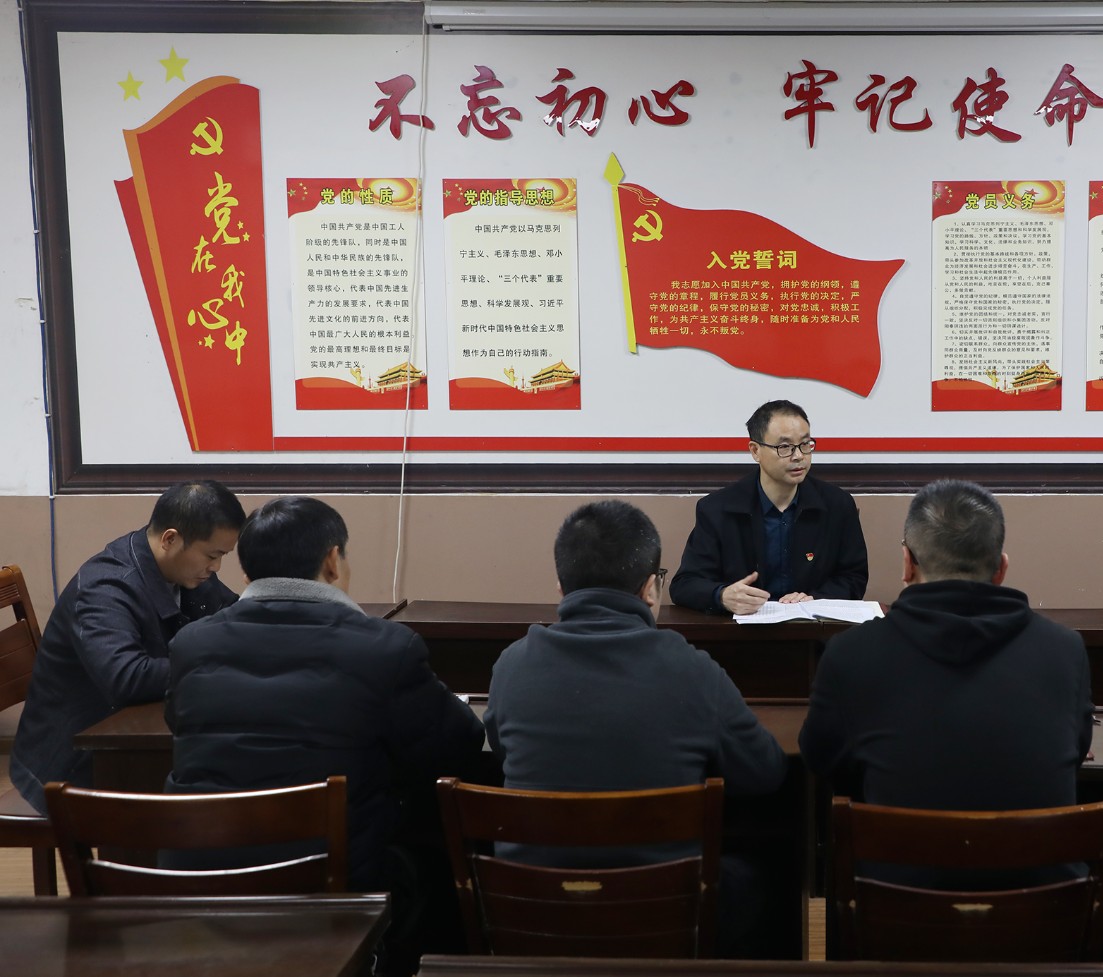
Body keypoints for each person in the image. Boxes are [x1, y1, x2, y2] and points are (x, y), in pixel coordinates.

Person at [164, 496, 484, 974]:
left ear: (247, 572)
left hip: (204, 881)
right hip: (333, 889)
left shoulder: (190, 643)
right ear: (333, 561)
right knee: (440, 848)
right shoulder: (386, 648)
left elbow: (178, 722)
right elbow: (456, 745)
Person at [485, 500, 788, 952]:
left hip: (534, 911)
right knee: (765, 869)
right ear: (650, 588)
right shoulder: (692, 670)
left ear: (561, 587)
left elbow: (501, 752)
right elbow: (765, 773)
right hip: (664, 914)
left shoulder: (512, 666)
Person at [799, 480, 1094, 871]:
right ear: (1001, 568)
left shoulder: (850, 654)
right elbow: (1075, 752)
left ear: (907, 563)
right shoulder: (1064, 650)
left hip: (895, 900)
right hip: (1040, 902)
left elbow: (822, 760)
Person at [9, 479, 245, 812]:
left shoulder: (185, 570)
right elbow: (127, 678)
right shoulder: (105, 588)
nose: (216, 567)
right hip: (74, 767)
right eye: (212, 555)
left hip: (134, 741)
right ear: (170, 539)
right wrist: (216, 664)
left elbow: (233, 617)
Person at [670, 399, 868, 614]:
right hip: (741, 630)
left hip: (811, 629)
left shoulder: (837, 505)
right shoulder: (717, 509)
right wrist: (722, 595)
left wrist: (816, 599)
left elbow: (854, 577)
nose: (798, 456)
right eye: (784, 447)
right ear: (755, 451)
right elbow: (684, 584)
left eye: (805, 444)